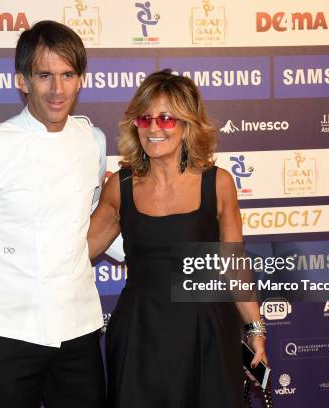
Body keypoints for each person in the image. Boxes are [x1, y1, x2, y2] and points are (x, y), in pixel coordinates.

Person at [0, 20, 107, 408]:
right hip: (6, 335)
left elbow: (94, 217)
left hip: (78, 332)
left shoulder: (92, 140)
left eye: (68, 75)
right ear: (22, 80)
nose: (57, 88)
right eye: (44, 75)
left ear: (80, 80)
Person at [88, 69, 267, 407]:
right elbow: (79, 251)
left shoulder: (218, 183)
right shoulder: (120, 186)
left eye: (167, 118)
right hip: (142, 335)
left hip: (208, 331)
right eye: (145, 118)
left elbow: (234, 263)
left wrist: (255, 329)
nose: (154, 128)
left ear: (187, 125)